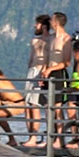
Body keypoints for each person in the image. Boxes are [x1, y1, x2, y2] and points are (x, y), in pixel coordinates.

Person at [40, 12, 73, 142]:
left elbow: (66, 62)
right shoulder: (52, 38)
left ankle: (60, 139)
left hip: (59, 73)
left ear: (56, 22)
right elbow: (48, 58)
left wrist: (51, 69)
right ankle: (51, 138)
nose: (50, 23)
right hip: (48, 73)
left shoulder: (66, 39)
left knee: (58, 107)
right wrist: (43, 73)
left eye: (52, 20)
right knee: (48, 107)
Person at [24, 15, 51, 146]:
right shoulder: (35, 40)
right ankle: (31, 136)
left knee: (36, 105)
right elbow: (31, 57)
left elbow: (49, 58)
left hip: (41, 71)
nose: (35, 26)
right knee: (28, 105)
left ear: (44, 26)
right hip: (32, 71)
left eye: (38, 24)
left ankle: (35, 137)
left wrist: (43, 72)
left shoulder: (51, 40)